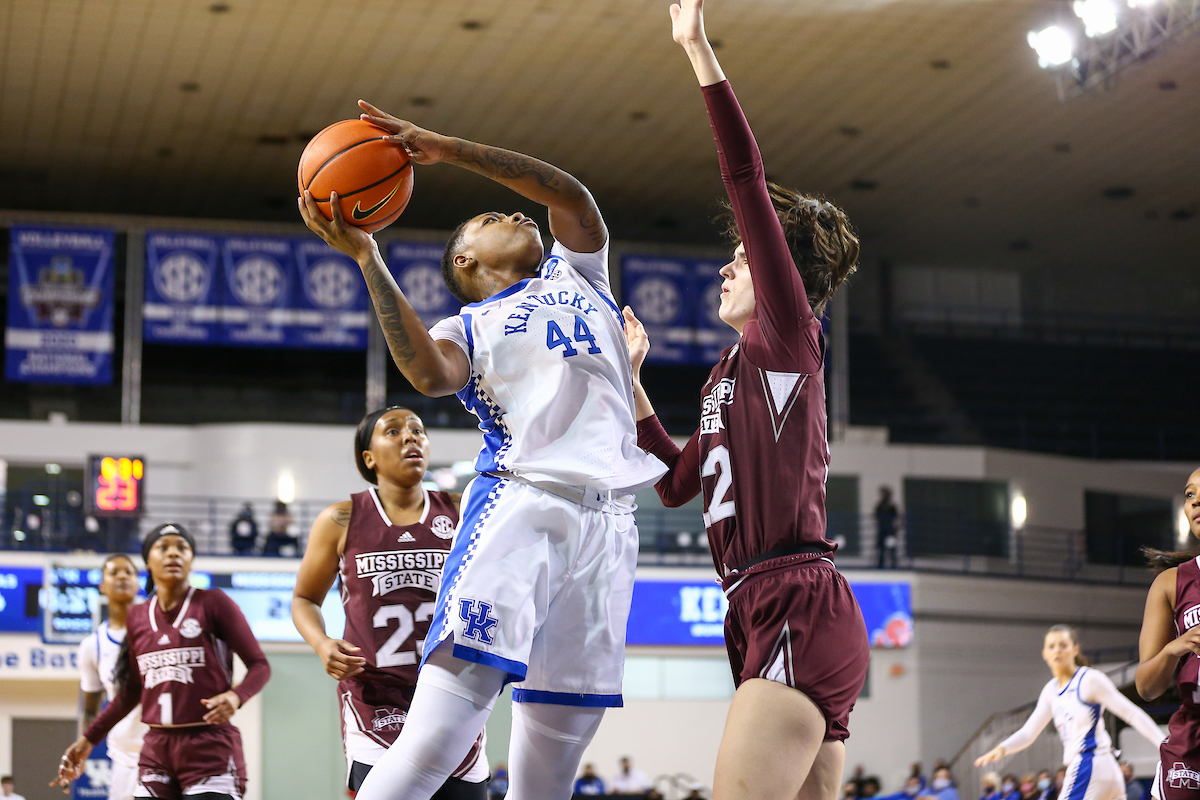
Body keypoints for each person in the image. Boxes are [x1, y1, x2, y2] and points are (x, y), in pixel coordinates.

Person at [299, 93, 666, 800]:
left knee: (551, 771)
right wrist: (369, 258)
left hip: (613, 526)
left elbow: (570, 194)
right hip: (522, 511)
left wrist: (444, 147)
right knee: (435, 743)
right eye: (495, 218)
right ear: (465, 258)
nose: (517, 214)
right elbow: (426, 375)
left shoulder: (579, 272)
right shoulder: (465, 326)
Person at [624, 2, 868, 799]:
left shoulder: (787, 340)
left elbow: (745, 178)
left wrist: (697, 48)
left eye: (740, 254)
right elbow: (675, 481)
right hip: (762, 603)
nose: (727, 266)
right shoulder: (729, 371)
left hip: (793, 597)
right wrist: (632, 384)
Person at [291, 406, 487, 797]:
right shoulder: (341, 519)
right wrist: (322, 643)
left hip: (450, 692)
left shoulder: (462, 509)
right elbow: (304, 599)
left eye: (418, 430)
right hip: (374, 698)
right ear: (369, 457)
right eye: (393, 432)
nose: (411, 437)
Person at [53, 523, 271, 800]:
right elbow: (131, 690)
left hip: (208, 746)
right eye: (163, 547)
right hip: (157, 748)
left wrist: (235, 696)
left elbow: (260, 665)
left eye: (182, 548)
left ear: (191, 559)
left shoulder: (214, 603)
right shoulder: (138, 618)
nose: (173, 554)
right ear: (148, 561)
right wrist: (87, 740)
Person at [975, 625, 1164, 800]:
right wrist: (1003, 748)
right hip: (1107, 772)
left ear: (1074, 650)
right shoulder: (1051, 690)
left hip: (1089, 765)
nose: (1057, 650)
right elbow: (1029, 732)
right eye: (1052, 646)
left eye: (1063, 645)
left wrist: (1163, 745)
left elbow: (1131, 713)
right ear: (1044, 653)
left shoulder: (1089, 679)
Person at [54, 555, 148, 800]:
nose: (122, 577)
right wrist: (83, 748)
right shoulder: (92, 645)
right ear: (102, 585)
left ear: (138, 583)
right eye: (114, 573)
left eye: (129, 572)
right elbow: (89, 710)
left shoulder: (156, 629)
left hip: (165, 750)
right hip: (124, 757)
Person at [1136, 466, 1200, 800]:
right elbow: (1146, 687)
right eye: (1190, 495)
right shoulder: (1171, 583)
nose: (1197, 503)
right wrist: (1177, 647)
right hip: (1192, 737)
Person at [874, 487, 901, 569]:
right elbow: (876, 518)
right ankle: (880, 565)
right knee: (881, 549)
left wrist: (895, 529)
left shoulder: (891, 507)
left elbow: (897, 519)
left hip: (890, 531)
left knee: (892, 549)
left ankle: (893, 565)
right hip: (882, 530)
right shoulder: (879, 506)